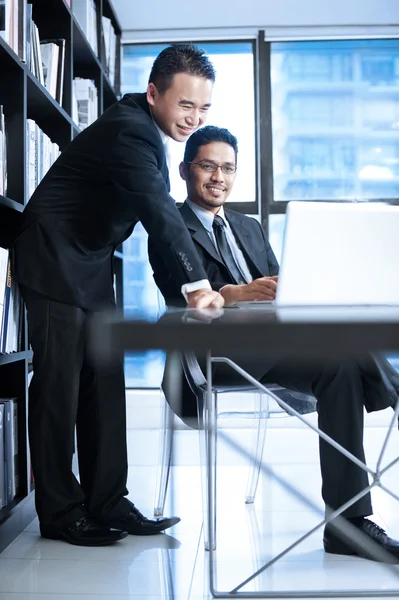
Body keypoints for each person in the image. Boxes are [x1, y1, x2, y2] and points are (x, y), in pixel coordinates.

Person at [148, 125, 399, 561]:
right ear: (186, 169)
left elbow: (286, 286)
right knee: (341, 341)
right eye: (208, 166)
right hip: (211, 353)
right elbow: (179, 294)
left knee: (339, 366)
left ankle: (347, 526)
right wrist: (233, 295)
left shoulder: (249, 227)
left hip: (271, 345)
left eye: (228, 168)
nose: (218, 177)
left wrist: (305, 288)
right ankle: (394, 388)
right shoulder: (171, 226)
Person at [12, 45, 224, 547]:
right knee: (60, 385)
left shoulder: (148, 132)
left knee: (104, 380)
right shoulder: (130, 129)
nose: (194, 119)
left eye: (203, 109)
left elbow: (155, 220)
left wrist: (184, 285)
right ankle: (61, 512)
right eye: (184, 106)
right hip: (53, 254)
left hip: (90, 258)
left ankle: (108, 500)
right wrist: (198, 286)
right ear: (154, 94)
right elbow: (158, 209)